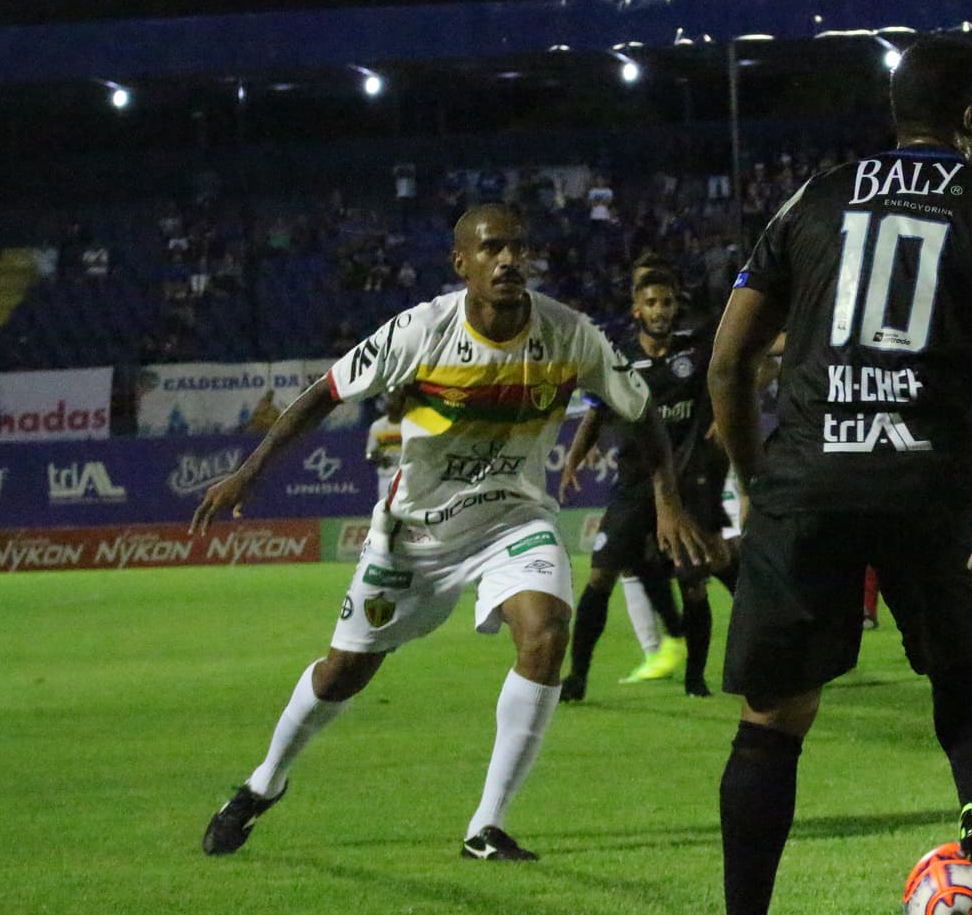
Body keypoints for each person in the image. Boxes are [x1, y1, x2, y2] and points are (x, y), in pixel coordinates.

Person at [698, 38, 972, 915]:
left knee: (772, 715)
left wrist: (753, 481)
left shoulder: (811, 196)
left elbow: (728, 364)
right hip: (930, 477)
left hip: (809, 478)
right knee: (962, 661)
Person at [197, 205, 708, 860]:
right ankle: (264, 782)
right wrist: (250, 471)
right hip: (417, 535)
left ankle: (485, 825)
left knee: (547, 633)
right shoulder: (419, 331)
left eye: (517, 248)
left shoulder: (569, 334)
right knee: (343, 672)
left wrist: (667, 499)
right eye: (491, 248)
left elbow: (640, 410)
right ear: (461, 262)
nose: (507, 260)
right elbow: (325, 392)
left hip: (513, 518)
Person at [559, 259, 736, 699]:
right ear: (636, 309)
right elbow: (597, 413)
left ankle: (696, 680)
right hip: (635, 484)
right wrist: (573, 460)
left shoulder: (696, 350)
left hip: (686, 485)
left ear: (676, 308)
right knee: (600, 576)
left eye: (668, 302)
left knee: (693, 584)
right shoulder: (619, 357)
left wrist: (722, 417)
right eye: (651, 302)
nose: (660, 309)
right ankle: (577, 679)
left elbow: (730, 377)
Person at [365, 388, 406, 482]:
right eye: (389, 398)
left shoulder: (409, 425)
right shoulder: (377, 426)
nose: (392, 402)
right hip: (386, 477)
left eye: (395, 398)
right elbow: (369, 454)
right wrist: (378, 457)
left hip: (406, 476)